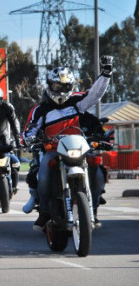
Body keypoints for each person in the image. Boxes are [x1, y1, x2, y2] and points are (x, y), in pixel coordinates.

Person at [22, 55, 113, 231]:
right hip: (54, 149)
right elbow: (29, 129)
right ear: (49, 86)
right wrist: (28, 139)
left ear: (71, 87)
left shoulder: (77, 101)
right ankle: (45, 212)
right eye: (57, 85)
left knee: (98, 173)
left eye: (65, 86)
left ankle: (92, 210)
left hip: (78, 148)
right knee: (44, 173)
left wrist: (106, 74)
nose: (61, 90)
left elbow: (95, 93)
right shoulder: (40, 109)